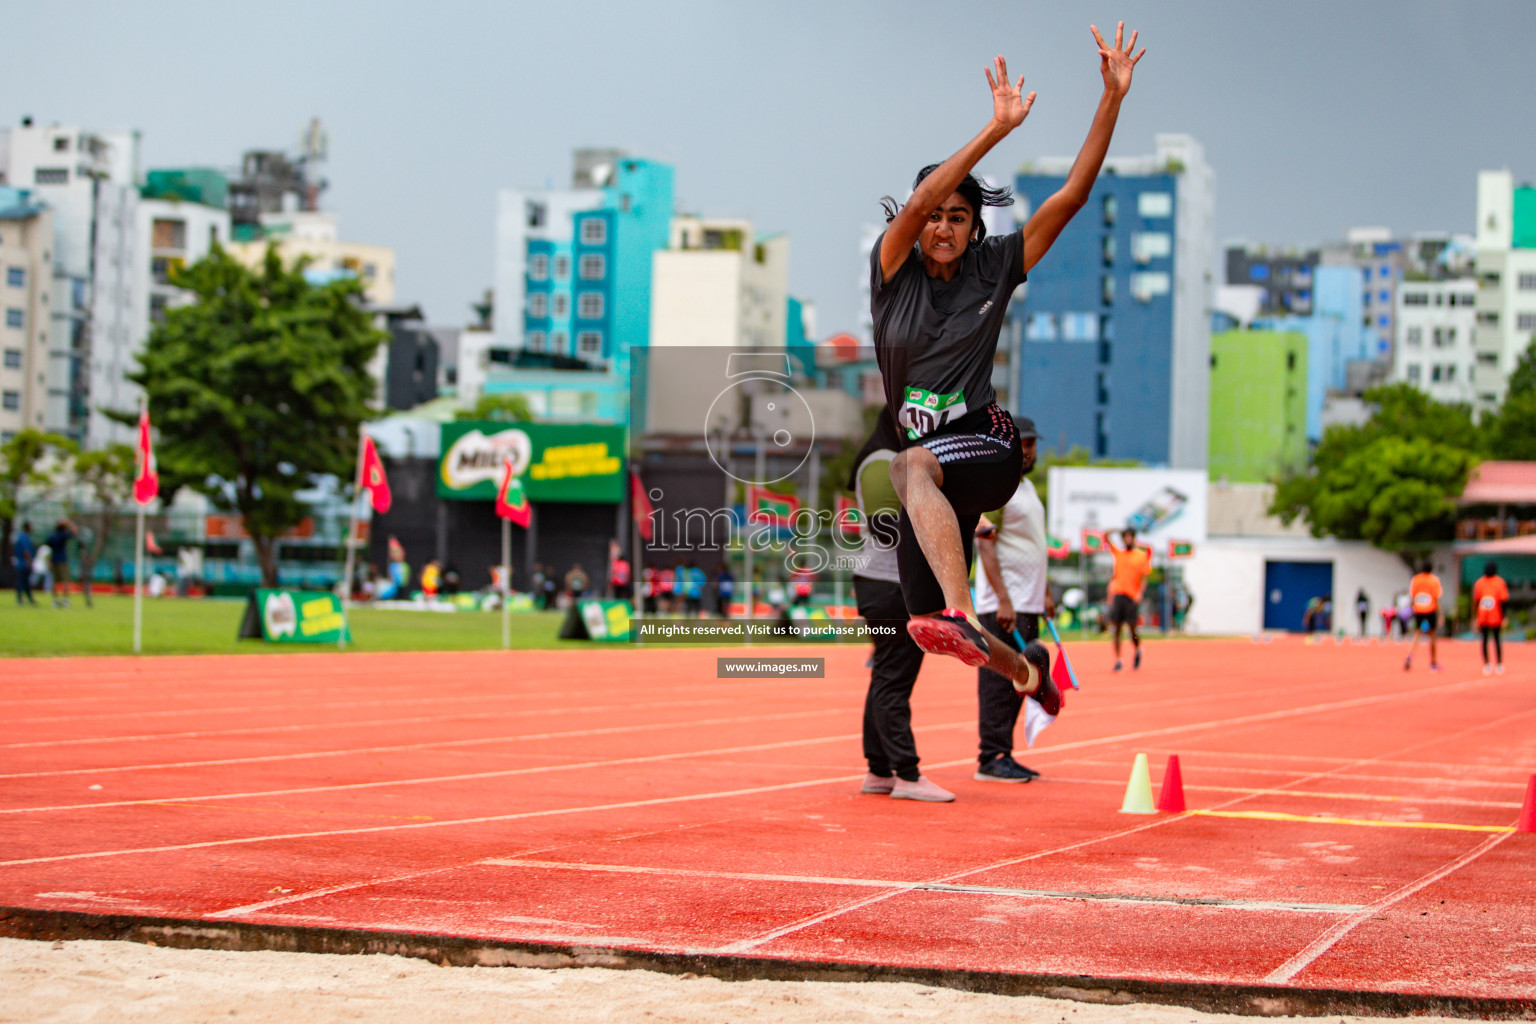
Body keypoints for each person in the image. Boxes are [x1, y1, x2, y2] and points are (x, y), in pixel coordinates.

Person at [873, 26, 1143, 713]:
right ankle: (1028, 677)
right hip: (933, 477)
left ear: (973, 227)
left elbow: (1073, 197)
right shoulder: (893, 271)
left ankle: (962, 607)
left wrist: (1110, 98)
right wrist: (993, 129)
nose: (942, 228)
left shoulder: (996, 268)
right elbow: (914, 206)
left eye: (957, 217)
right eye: (932, 215)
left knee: (908, 469)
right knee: (922, 623)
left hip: (983, 443)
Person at [849, 416, 950, 801]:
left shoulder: (891, 459)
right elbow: (886, 527)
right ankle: (906, 774)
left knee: (887, 678)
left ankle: (879, 770)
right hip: (889, 586)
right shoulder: (881, 462)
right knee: (894, 680)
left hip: (890, 585)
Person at [972, 415, 1052, 783]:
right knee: (998, 684)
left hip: (1029, 602)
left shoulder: (1029, 491)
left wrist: (1046, 591)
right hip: (1003, 606)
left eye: (1033, 444)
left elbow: (1036, 546)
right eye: (1022, 443)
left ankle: (1004, 752)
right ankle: (991, 757)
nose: (1028, 450)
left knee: (1021, 680)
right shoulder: (994, 488)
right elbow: (985, 544)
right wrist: (1003, 599)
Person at [1104, 527, 1151, 670]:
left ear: (1134, 538)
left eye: (1130, 536)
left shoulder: (1141, 556)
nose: (1128, 539)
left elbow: (1144, 577)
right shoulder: (1118, 553)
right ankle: (1118, 659)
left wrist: (1139, 593)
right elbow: (1105, 537)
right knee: (1116, 628)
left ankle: (1138, 649)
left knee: (1132, 629)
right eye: (1126, 537)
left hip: (1132, 596)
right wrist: (1118, 530)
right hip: (1119, 594)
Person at [1473, 561, 1509, 676]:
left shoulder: (1480, 582)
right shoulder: (1499, 582)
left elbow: (1476, 602)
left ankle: (1488, 664)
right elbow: (1503, 601)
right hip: (1494, 615)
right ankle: (1497, 664)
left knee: (1486, 640)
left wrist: (1475, 617)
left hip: (1486, 615)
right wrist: (1504, 617)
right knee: (1495, 639)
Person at [1405, 562, 1442, 672]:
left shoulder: (1416, 579)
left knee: (1417, 634)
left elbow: (1413, 596)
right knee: (1432, 637)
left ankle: (1409, 657)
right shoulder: (1434, 580)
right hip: (1430, 610)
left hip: (1419, 610)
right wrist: (1440, 614)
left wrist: (1412, 609)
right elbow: (1436, 597)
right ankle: (1433, 662)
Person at [45, 518, 76, 608]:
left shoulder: (52, 536)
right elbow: (74, 531)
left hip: (54, 561)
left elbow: (47, 550)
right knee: (65, 581)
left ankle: (55, 601)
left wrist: (48, 561)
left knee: (54, 582)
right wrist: (69, 523)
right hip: (62, 561)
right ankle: (65, 601)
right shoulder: (63, 535)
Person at [13, 521, 37, 606]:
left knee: (24, 582)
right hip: (24, 563)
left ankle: (28, 599)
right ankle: (21, 599)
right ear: (27, 527)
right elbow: (26, 552)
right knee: (22, 581)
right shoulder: (24, 538)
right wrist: (30, 563)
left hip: (21, 563)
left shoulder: (21, 537)